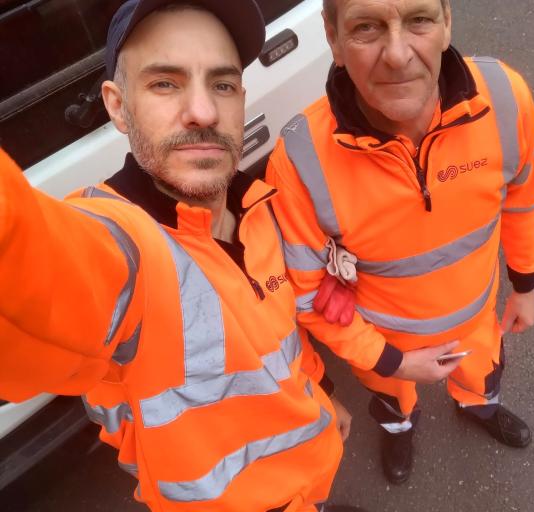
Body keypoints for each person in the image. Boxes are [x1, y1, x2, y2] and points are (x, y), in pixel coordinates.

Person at [0, 1, 364, 510]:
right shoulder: (121, 242)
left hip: (314, 468)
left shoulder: (255, 209)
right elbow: (32, 264)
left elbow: (273, 342)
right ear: (116, 105)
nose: (204, 111)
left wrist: (321, 391)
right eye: (165, 83)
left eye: (222, 84)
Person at [266, 0, 534, 485]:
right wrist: (392, 360)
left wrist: (524, 284)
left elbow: (523, 197)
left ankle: (478, 408)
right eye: (367, 28)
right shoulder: (301, 160)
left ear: (447, 23)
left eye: (418, 19)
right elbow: (308, 296)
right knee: (393, 399)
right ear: (332, 39)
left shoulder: (503, 96)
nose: (397, 55)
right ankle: (399, 428)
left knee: (483, 377)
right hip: (383, 346)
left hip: (476, 323)